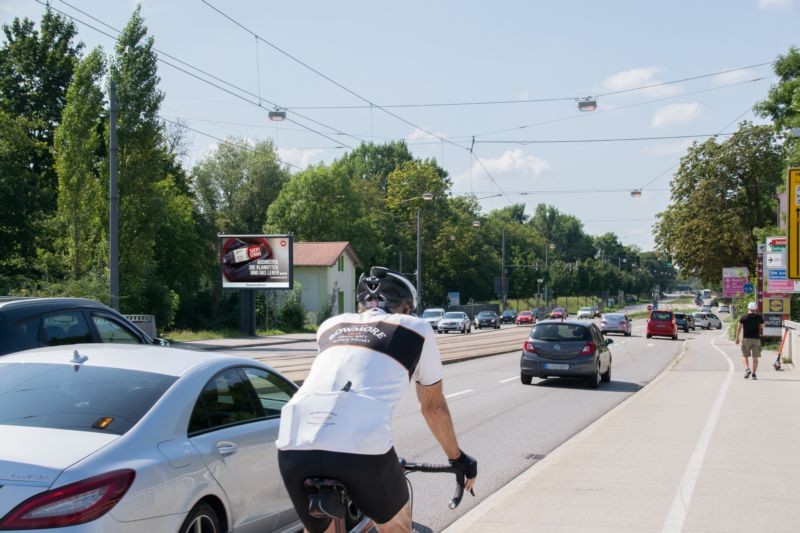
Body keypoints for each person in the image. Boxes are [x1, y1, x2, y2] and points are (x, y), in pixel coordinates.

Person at [276, 266, 477, 532]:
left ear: (361, 306)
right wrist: (457, 458)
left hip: (294, 443)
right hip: (361, 446)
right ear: (406, 308)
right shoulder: (417, 329)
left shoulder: (330, 326)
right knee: (397, 524)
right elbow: (433, 408)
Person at [735, 301, 764, 380]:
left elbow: (739, 328)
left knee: (745, 356)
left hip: (746, 339)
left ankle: (747, 369)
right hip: (756, 339)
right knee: (755, 358)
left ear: (748, 308)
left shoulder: (743, 317)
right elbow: (762, 327)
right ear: (756, 309)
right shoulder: (759, 317)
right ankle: (754, 374)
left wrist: (737, 338)